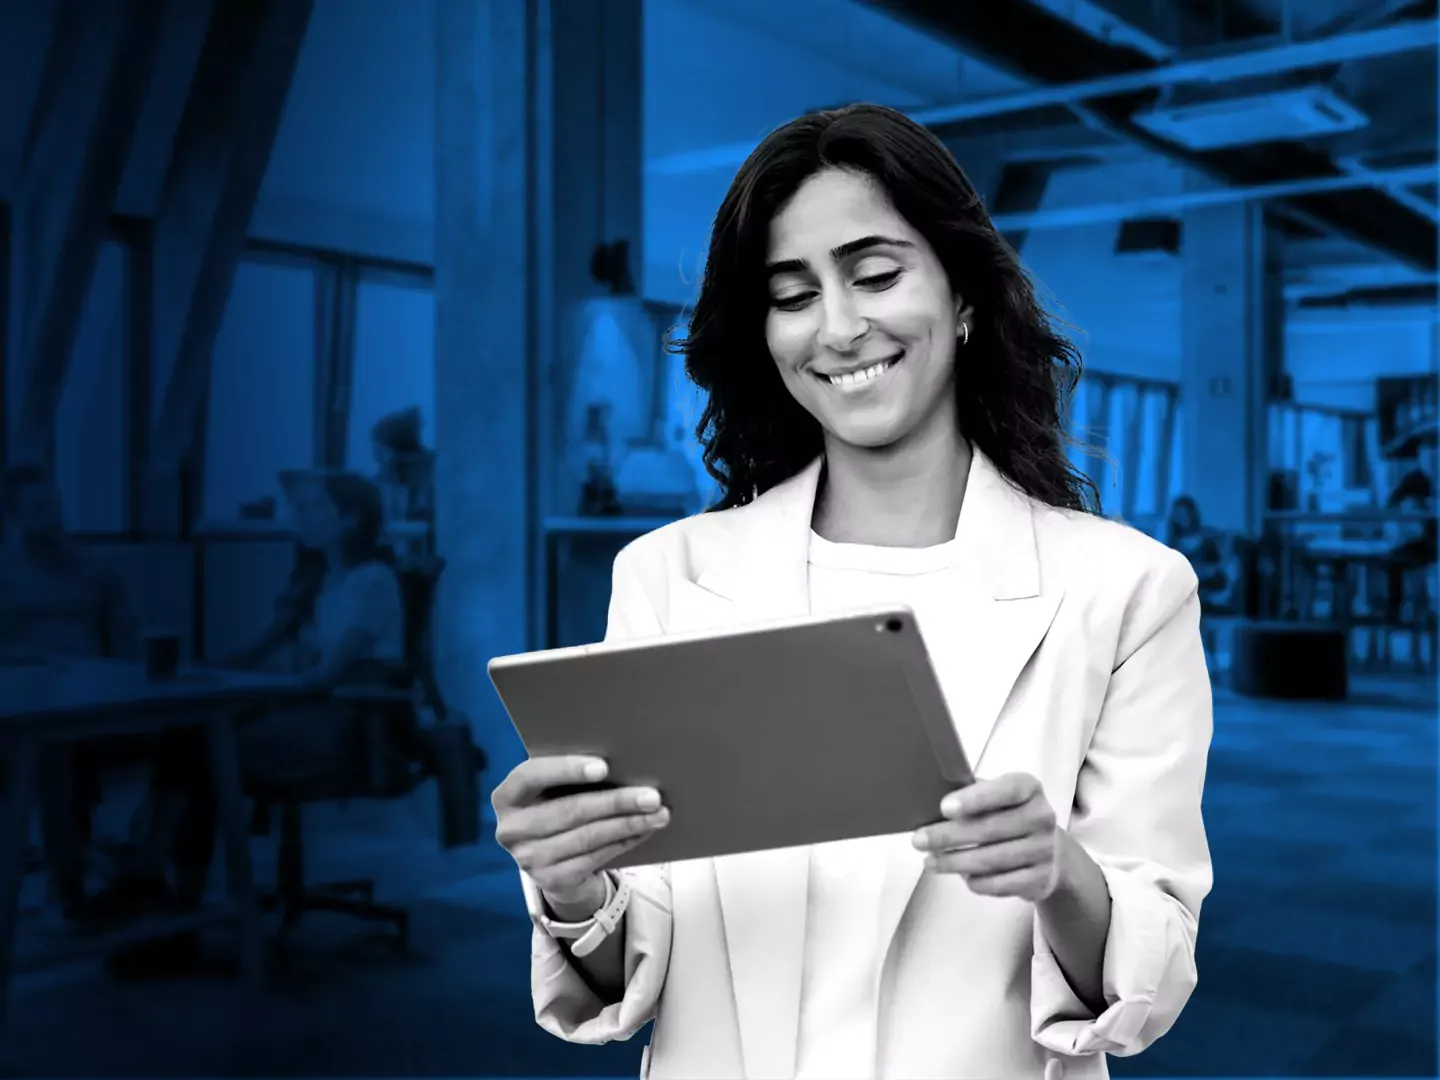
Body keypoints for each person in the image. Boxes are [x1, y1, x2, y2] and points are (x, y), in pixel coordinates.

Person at [491, 105, 1212, 1078]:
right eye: (793, 296)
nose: (838, 327)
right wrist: (573, 883)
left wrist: (1061, 875)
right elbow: (636, 966)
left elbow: (1152, 978)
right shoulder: (669, 575)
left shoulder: (1125, 591)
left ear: (962, 295)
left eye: (876, 275)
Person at [80, 473, 408, 936]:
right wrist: (203, 672)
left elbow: (326, 677)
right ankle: (161, 889)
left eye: (316, 507)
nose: (301, 516)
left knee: (205, 751)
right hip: (311, 710)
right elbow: (264, 650)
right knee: (193, 737)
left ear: (350, 519)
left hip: (349, 720)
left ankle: (157, 884)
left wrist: (249, 693)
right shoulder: (318, 580)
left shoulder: (374, 581)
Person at [0, 462, 142, 914]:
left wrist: (134, 674)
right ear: (13, 515)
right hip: (19, 701)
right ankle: (68, 877)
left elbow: (125, 638)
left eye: (55, 506)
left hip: (92, 694)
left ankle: (121, 865)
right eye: (38, 509)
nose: (52, 518)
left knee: (190, 736)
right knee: (50, 751)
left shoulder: (96, 566)